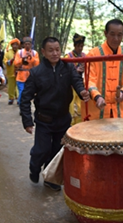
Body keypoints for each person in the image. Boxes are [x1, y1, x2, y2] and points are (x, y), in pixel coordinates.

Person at [20, 37, 90, 191]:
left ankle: (50, 178)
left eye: (57, 49)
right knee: (41, 150)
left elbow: (77, 81)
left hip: (63, 119)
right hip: (44, 120)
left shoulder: (68, 67)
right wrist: (27, 121)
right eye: (50, 50)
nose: (55, 53)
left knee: (57, 151)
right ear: (43, 52)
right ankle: (35, 167)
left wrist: (82, 91)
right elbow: (25, 98)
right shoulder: (36, 73)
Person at [86, 19, 123, 120]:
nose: (116, 38)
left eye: (119, 35)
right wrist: (97, 97)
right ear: (106, 33)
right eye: (112, 34)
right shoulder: (93, 54)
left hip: (118, 110)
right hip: (96, 111)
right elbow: (89, 80)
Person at [64, 33, 86, 125]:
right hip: (71, 86)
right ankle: (71, 125)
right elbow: (64, 73)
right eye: (78, 46)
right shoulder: (68, 57)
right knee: (72, 107)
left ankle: (80, 124)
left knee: (81, 107)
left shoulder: (85, 56)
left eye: (81, 46)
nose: (80, 48)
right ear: (74, 45)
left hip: (82, 84)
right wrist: (76, 71)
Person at [14, 36, 39, 105]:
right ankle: (21, 105)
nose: (27, 45)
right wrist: (22, 60)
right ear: (23, 44)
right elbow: (15, 63)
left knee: (29, 93)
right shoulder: (19, 52)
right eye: (26, 44)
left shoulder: (34, 53)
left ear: (31, 45)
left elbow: (37, 64)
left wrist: (32, 58)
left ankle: (24, 104)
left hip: (31, 76)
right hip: (21, 76)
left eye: (29, 44)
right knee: (22, 91)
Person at [3, 38, 20, 105]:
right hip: (11, 72)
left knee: (18, 86)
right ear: (11, 45)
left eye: (16, 45)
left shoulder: (20, 52)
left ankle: (18, 98)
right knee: (11, 86)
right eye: (13, 45)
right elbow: (5, 61)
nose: (15, 46)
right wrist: (11, 60)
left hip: (19, 72)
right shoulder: (7, 53)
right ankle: (11, 98)